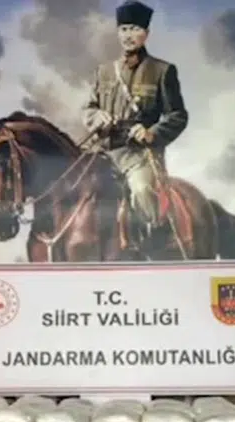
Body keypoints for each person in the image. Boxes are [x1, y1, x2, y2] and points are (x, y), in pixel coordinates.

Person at [82, 0, 189, 251]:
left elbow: (178, 115)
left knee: (141, 190)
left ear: (146, 33)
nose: (128, 35)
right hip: (103, 151)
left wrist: (151, 133)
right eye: (124, 29)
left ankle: (154, 244)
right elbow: (89, 108)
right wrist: (97, 117)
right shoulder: (103, 72)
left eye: (135, 29)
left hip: (139, 154)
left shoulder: (162, 71)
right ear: (118, 32)